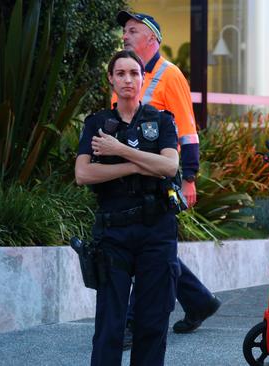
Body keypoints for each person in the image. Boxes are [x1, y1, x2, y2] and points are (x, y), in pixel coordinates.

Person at [114, 10, 221, 346]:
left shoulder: (169, 75)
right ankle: (199, 301)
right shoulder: (127, 76)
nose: (125, 36)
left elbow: (188, 132)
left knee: (147, 251)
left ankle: (131, 324)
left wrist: (189, 178)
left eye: (132, 31)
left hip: (162, 178)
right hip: (130, 177)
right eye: (125, 32)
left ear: (152, 39)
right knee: (156, 251)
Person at [75, 50, 180, 365]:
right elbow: (83, 174)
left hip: (156, 231)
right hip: (114, 232)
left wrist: (119, 150)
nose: (128, 80)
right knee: (110, 324)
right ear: (111, 79)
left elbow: (170, 167)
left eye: (134, 73)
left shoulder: (161, 121)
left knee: (152, 322)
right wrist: (137, 166)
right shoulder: (97, 123)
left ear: (143, 78)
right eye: (120, 73)